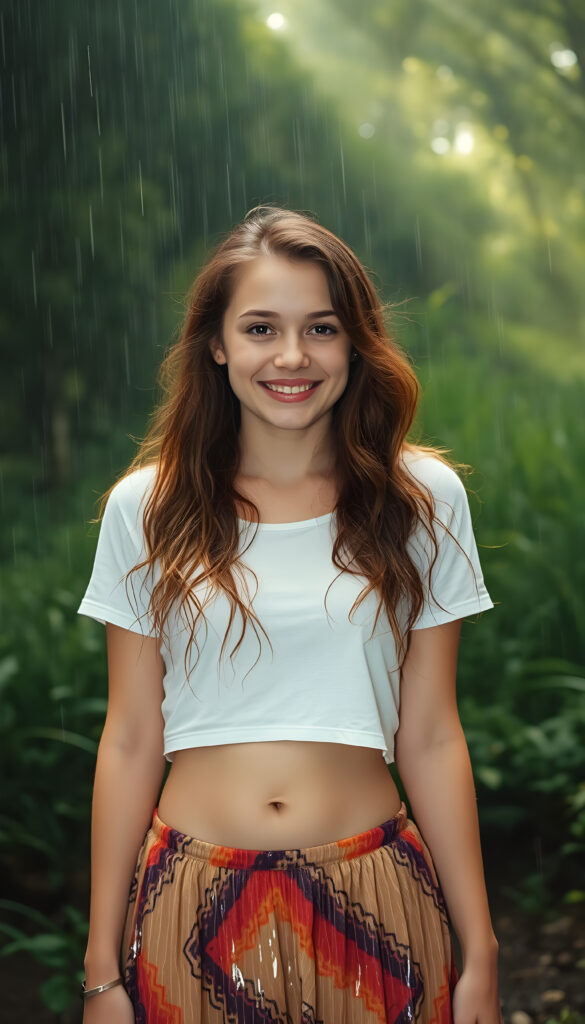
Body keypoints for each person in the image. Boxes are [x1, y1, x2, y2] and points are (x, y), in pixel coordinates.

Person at [78, 204, 502, 1024]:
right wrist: (102, 972)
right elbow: (130, 738)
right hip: (186, 904)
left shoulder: (421, 502)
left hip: (377, 896)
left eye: (321, 328)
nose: (291, 356)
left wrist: (478, 949)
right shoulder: (149, 507)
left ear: (354, 344)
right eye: (261, 328)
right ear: (218, 343)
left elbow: (430, 734)